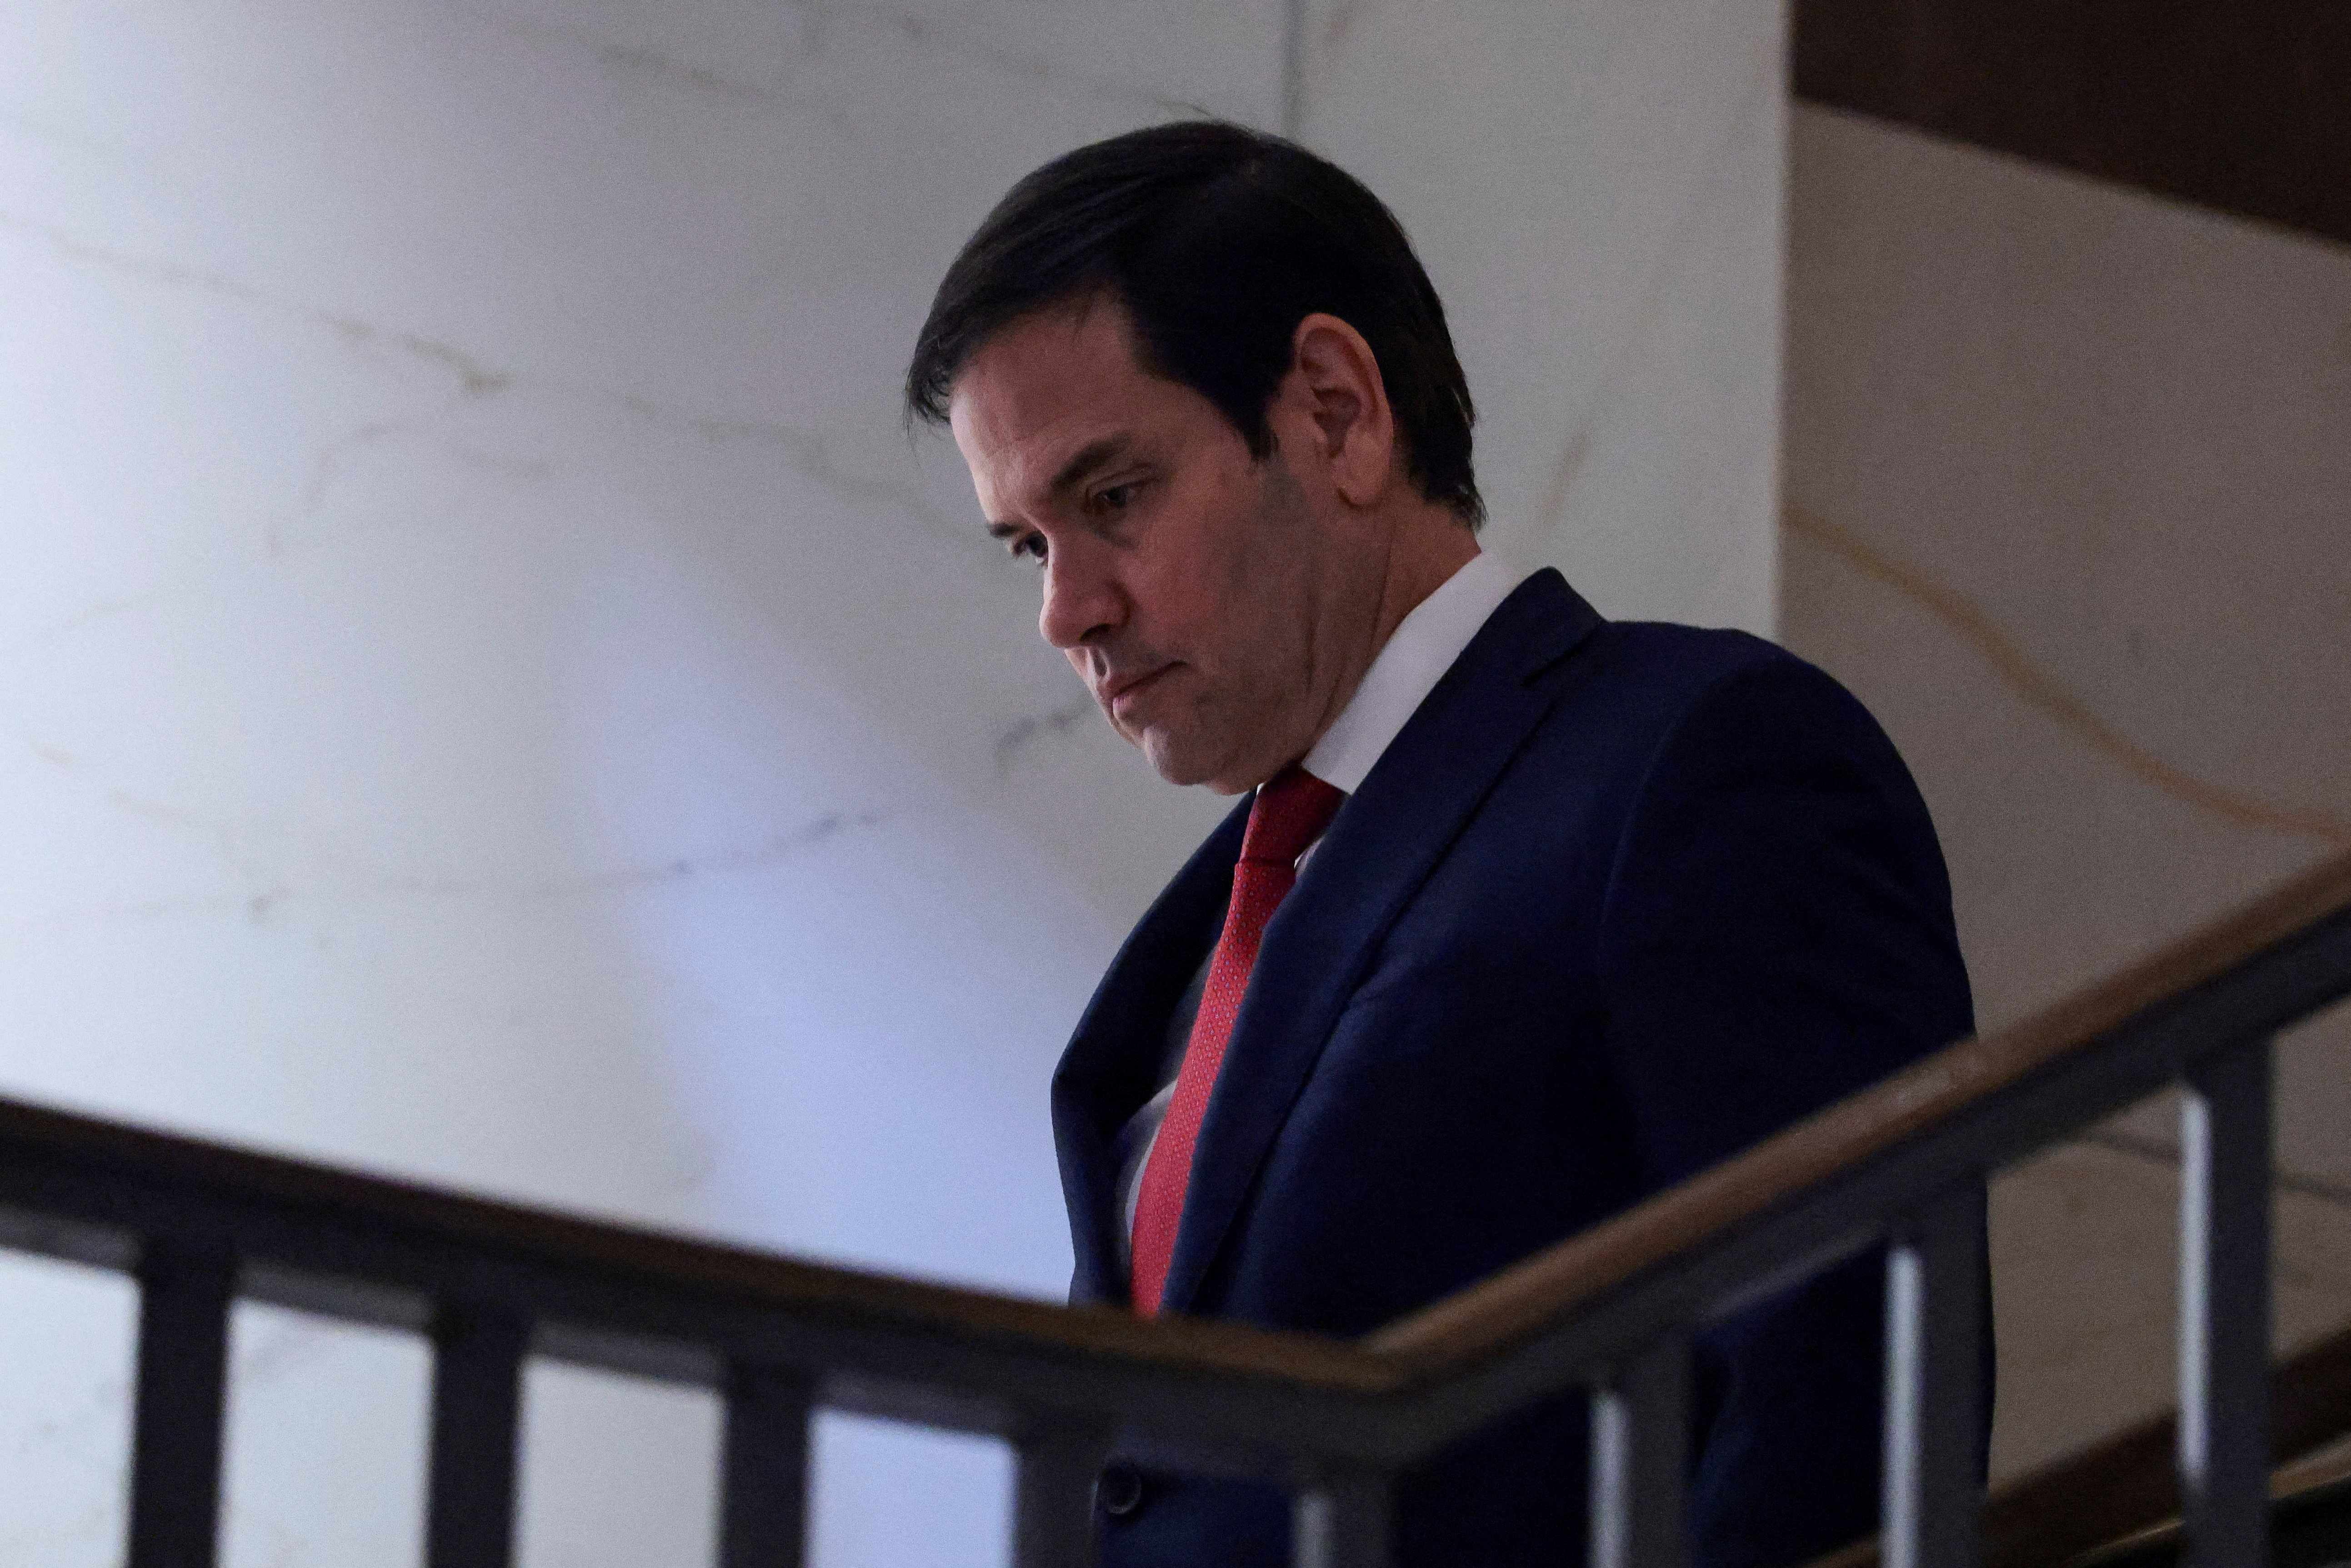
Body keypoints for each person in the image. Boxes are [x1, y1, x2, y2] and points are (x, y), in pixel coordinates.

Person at [904, 120, 1977, 1568]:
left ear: (1336, 413)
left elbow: (1840, 1407)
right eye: (1031, 544)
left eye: (1111, 498)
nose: (1065, 610)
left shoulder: (1698, 759)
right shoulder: (1209, 922)